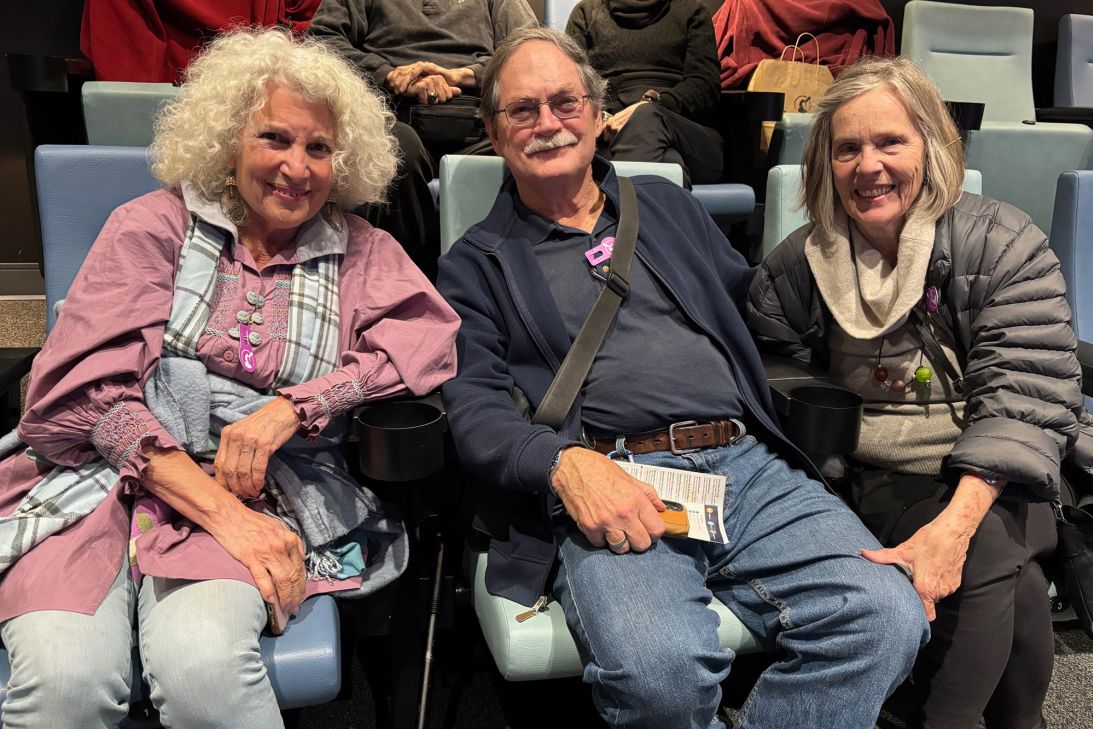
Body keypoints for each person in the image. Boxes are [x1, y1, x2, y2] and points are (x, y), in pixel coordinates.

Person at [438, 26, 927, 729]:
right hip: (615, 473)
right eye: (523, 109)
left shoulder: (663, 206)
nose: (548, 123)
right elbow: (473, 412)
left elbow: (753, 306)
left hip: (747, 465)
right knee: (658, 675)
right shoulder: (476, 262)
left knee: (883, 615)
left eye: (564, 102)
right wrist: (564, 464)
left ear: (598, 111)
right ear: (492, 129)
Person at [0, 29, 459, 729]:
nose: (296, 168)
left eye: (318, 148)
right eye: (273, 137)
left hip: (252, 485)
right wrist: (226, 518)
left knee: (203, 672)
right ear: (229, 140)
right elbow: (85, 389)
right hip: (92, 481)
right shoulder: (151, 225)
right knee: (63, 686)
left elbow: (426, 342)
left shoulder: (361, 250)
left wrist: (296, 408)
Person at [747, 56, 1082, 729]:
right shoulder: (793, 265)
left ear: (930, 145)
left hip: (998, 468)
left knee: (985, 540)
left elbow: (1023, 396)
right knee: (1010, 580)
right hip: (875, 476)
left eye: (889, 141)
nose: (866, 165)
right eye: (847, 148)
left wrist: (952, 526)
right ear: (824, 163)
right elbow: (774, 382)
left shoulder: (1002, 241)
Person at [308, 0, 536, 278]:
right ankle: (401, 284)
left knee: (528, 147)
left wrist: (464, 75)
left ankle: (500, 283)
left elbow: (528, 48)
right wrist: (388, 74)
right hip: (390, 110)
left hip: (476, 112)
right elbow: (323, 39)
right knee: (396, 152)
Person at [566, 0, 724, 186]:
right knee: (670, 164)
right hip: (607, 136)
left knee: (646, 117)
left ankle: (615, 208)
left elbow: (706, 86)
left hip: (685, 136)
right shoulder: (587, 13)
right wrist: (600, 117)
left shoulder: (692, 11)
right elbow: (570, 86)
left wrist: (653, 104)